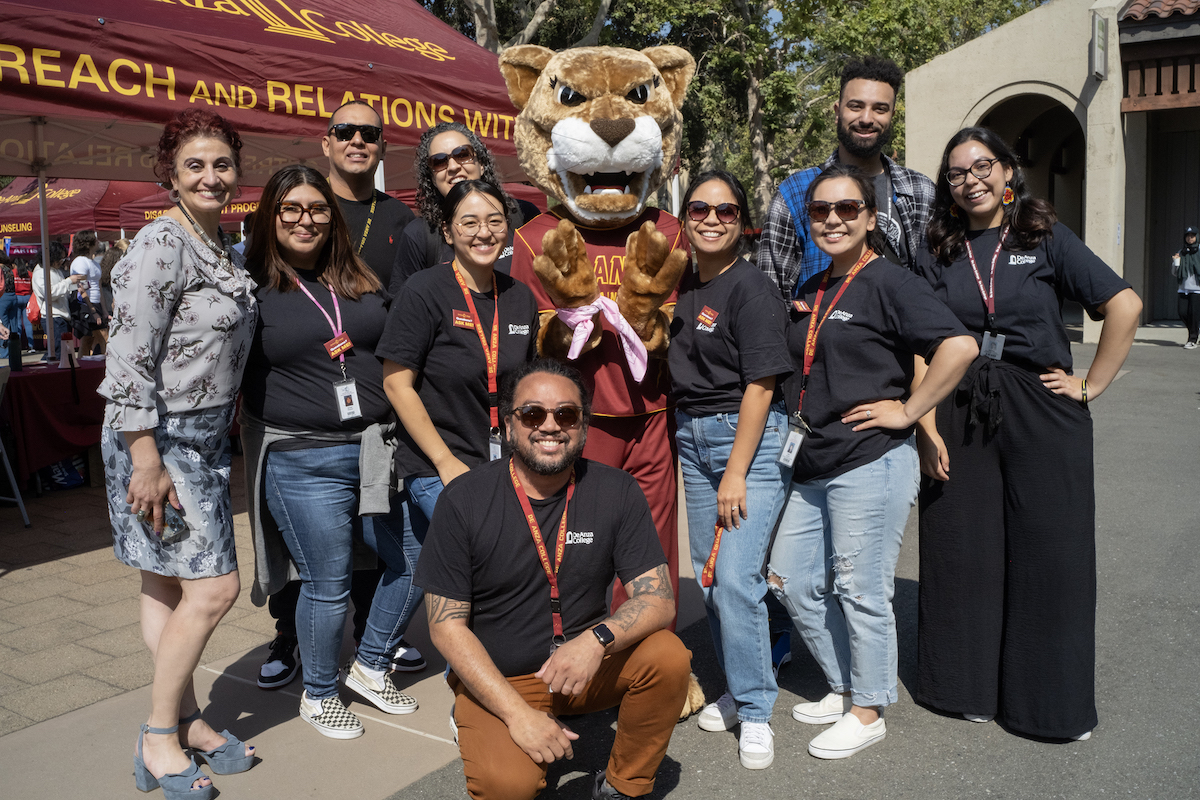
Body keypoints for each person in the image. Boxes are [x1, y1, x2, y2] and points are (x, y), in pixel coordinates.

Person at [913, 127, 1142, 741]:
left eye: (982, 166)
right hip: (961, 408)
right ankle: (962, 688)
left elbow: (1125, 304)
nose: (971, 180)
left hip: (1042, 405)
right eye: (957, 172)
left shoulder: (1043, 237)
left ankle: (1049, 705)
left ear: (1008, 171)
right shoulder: (939, 248)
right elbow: (922, 344)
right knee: (961, 548)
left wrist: (1091, 385)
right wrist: (925, 424)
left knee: (1052, 552)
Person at [767, 163, 978, 760]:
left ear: (869, 217)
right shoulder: (811, 288)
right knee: (790, 577)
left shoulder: (890, 281)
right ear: (807, 220)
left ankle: (869, 708)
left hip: (870, 460)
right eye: (820, 211)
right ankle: (843, 684)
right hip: (812, 458)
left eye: (846, 209)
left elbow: (958, 346)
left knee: (859, 586)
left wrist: (910, 412)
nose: (832, 219)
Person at [417, 358, 692, 800]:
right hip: (503, 677)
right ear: (508, 427)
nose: (550, 426)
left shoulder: (616, 490)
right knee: (508, 786)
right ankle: (488, 720)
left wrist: (595, 640)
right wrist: (516, 714)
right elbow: (444, 626)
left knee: (668, 656)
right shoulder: (464, 500)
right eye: (532, 414)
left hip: (584, 665)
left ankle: (624, 786)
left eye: (566, 414)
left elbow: (658, 599)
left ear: (583, 427)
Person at [97, 108, 258, 799]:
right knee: (215, 587)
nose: (210, 175)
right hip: (158, 438)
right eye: (195, 164)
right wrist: (144, 460)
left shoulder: (219, 244)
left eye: (221, 163)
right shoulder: (163, 245)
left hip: (202, 437)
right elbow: (127, 359)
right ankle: (160, 736)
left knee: (164, 582)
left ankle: (188, 719)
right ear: (169, 173)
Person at [240, 163, 424, 739]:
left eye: (317, 209)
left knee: (418, 556)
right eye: (290, 209)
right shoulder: (247, 289)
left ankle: (370, 664)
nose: (305, 219)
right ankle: (319, 694)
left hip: (375, 450)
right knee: (327, 581)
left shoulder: (358, 277)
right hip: (302, 459)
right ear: (271, 216)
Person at [668, 171, 793, 769]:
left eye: (725, 211)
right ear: (685, 215)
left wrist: (737, 471)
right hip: (690, 440)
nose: (711, 220)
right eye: (700, 208)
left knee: (739, 580)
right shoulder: (683, 282)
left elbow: (762, 384)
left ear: (743, 222)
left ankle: (757, 708)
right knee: (710, 578)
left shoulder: (751, 289)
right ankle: (740, 690)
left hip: (743, 441)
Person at [379, 179, 539, 539]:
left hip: (504, 464)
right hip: (437, 465)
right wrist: (444, 462)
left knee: (414, 581)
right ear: (448, 233)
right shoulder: (423, 290)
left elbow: (525, 389)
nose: (484, 232)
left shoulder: (520, 298)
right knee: (490, 551)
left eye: (495, 221)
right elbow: (396, 383)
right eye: (469, 222)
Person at [758, 56, 936, 300]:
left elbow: (936, 284)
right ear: (837, 111)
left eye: (879, 109)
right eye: (855, 106)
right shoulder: (797, 193)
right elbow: (770, 295)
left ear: (892, 115)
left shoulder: (921, 191)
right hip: (818, 334)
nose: (866, 118)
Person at [390, 121, 540, 293]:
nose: (453, 167)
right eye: (439, 161)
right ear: (431, 178)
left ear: (481, 164)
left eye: (462, 154)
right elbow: (405, 305)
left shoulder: (523, 215)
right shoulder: (420, 235)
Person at [322, 99, 415, 286]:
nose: (357, 141)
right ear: (326, 145)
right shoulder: (301, 209)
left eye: (369, 134)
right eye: (345, 132)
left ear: (383, 149)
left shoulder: (402, 218)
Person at [31, 242, 83, 357]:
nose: (62, 261)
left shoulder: (55, 270)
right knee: (58, 352)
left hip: (61, 316)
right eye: (61, 258)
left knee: (62, 352)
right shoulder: (41, 272)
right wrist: (69, 281)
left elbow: (61, 289)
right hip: (53, 317)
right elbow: (50, 293)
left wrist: (76, 286)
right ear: (52, 257)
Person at [70, 230, 107, 355]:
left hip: (95, 303)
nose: (98, 242)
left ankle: (84, 364)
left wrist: (104, 310)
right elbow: (80, 288)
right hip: (86, 304)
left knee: (88, 339)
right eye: (95, 240)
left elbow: (99, 286)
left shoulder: (94, 263)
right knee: (103, 337)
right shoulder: (80, 262)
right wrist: (93, 311)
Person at [1173, 226, 1200, 349]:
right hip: (1183, 288)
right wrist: (1176, 263)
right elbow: (1174, 273)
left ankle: (1192, 339)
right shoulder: (1181, 252)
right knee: (1182, 313)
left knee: (1193, 313)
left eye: (1193, 236)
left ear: (1196, 237)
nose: (1190, 238)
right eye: (1188, 236)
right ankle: (1195, 329)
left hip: (1197, 289)